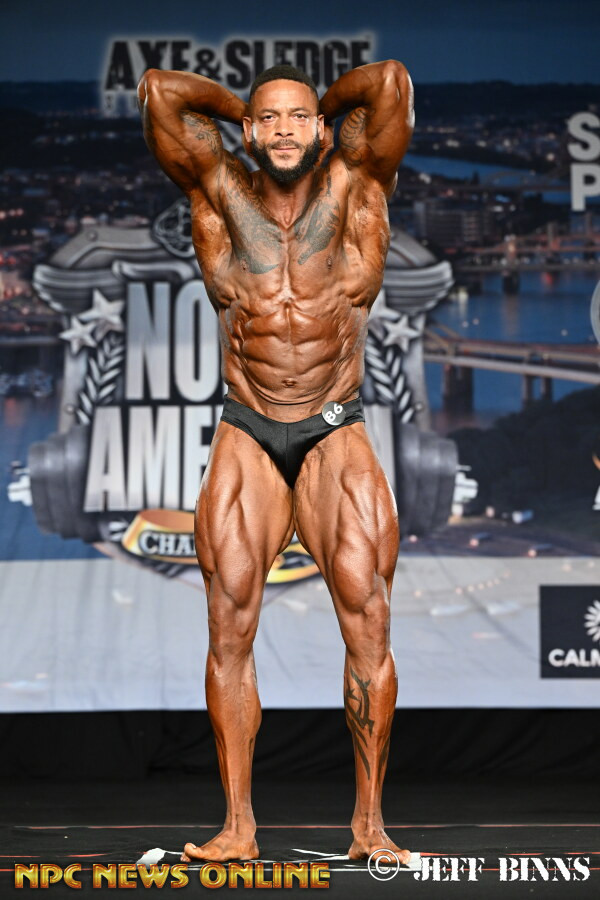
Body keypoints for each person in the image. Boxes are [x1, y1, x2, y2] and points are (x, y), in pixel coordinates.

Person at [137, 58, 414, 865]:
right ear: (248, 131)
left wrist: (311, 111)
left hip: (334, 428)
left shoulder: (357, 184)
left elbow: (389, 82)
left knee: (368, 621)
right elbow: (160, 91)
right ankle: (238, 827)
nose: (284, 130)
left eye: (299, 118)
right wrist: (245, 108)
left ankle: (369, 827)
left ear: (323, 128)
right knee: (228, 627)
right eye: (270, 120)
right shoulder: (217, 189)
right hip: (249, 428)